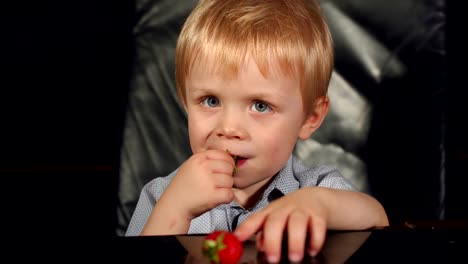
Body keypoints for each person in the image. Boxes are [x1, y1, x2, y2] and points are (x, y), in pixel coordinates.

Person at [125, 0, 389, 262]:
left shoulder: (317, 190)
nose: (229, 128)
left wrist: (320, 206)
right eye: (211, 101)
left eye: (261, 106)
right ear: (185, 101)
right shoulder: (162, 195)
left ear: (310, 117)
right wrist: (174, 211)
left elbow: (377, 220)